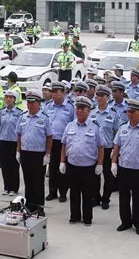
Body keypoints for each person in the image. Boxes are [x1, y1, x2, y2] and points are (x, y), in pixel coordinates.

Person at [112, 99, 139, 235]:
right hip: (124, 168)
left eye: (132, 112)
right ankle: (125, 221)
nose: (129, 114)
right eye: (128, 112)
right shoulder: (123, 128)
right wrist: (114, 163)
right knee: (123, 197)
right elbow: (116, 146)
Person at [60, 96, 104, 225]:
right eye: (77, 108)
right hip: (72, 165)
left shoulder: (95, 127)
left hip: (88, 167)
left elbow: (101, 146)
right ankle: (74, 216)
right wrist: (62, 161)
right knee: (74, 193)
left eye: (82, 108)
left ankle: (87, 218)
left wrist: (100, 164)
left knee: (87, 194)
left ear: (88, 110)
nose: (79, 111)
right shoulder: (69, 125)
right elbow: (64, 144)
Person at [16, 89, 53, 213]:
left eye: (33, 103)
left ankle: (39, 207)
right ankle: (29, 205)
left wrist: (47, 154)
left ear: (39, 103)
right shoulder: (23, 117)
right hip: (25, 153)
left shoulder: (44, 118)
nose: (30, 105)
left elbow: (49, 136)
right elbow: (19, 135)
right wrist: (18, 151)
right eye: (28, 102)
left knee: (38, 181)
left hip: (38, 154)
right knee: (28, 180)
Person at [44, 81, 75, 202]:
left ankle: (63, 192)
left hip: (64, 142)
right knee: (52, 166)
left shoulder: (70, 107)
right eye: (53, 92)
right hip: (51, 140)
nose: (54, 95)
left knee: (63, 167)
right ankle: (52, 191)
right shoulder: (48, 106)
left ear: (63, 93)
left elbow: (73, 124)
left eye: (57, 92)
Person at [0, 90, 23, 195]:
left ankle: (14, 188)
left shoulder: (19, 113)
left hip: (14, 142)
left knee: (14, 166)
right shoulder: (1, 112)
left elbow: (20, 129)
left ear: (14, 100)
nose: (8, 99)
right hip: (3, 141)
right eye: (7, 97)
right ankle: (7, 187)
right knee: (4, 165)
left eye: (11, 97)